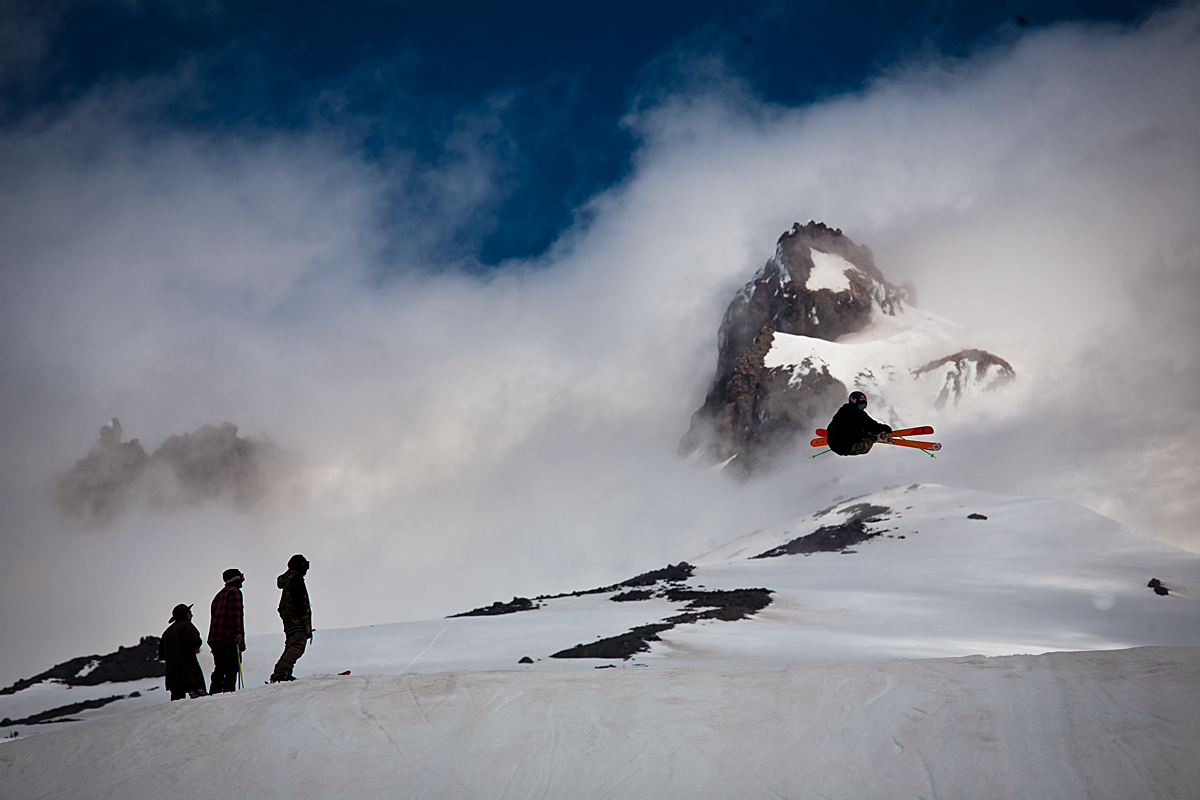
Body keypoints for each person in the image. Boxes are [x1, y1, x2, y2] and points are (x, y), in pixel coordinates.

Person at [270, 554, 312, 683]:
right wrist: (305, 620)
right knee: (297, 645)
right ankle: (281, 673)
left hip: (289, 619)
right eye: (305, 565)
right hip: (296, 619)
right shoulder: (296, 578)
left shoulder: (289, 579)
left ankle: (282, 672)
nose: (306, 569)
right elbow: (299, 600)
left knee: (293, 644)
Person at [207, 568, 246, 693]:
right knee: (231, 668)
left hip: (216, 638)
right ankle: (227, 694)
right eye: (241, 578)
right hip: (227, 638)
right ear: (236, 579)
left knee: (220, 668)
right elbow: (234, 615)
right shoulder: (235, 593)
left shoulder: (218, 595)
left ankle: (215, 693)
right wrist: (238, 635)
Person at [158, 604, 207, 700]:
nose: (192, 615)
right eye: (190, 613)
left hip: (173, 676)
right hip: (190, 673)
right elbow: (196, 643)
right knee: (200, 700)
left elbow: (162, 656)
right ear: (184, 614)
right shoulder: (187, 625)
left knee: (177, 703)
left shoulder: (166, 633)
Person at [825, 391, 892, 456]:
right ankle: (874, 437)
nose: (862, 408)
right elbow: (873, 427)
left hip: (831, 442)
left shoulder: (844, 409)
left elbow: (830, 426)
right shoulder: (859, 415)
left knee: (860, 427)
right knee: (867, 445)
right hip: (845, 448)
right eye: (861, 406)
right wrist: (885, 428)